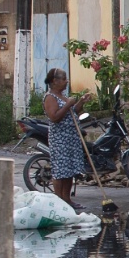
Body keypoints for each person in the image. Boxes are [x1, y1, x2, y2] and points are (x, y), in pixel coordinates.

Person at [42, 68, 92, 210]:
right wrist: (69, 104)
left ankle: (67, 199)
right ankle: (59, 200)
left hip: (71, 138)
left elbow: (72, 112)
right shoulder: (50, 97)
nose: (66, 81)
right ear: (55, 81)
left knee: (69, 170)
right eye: (64, 79)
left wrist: (81, 102)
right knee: (60, 170)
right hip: (60, 139)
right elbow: (55, 117)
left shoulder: (63, 96)